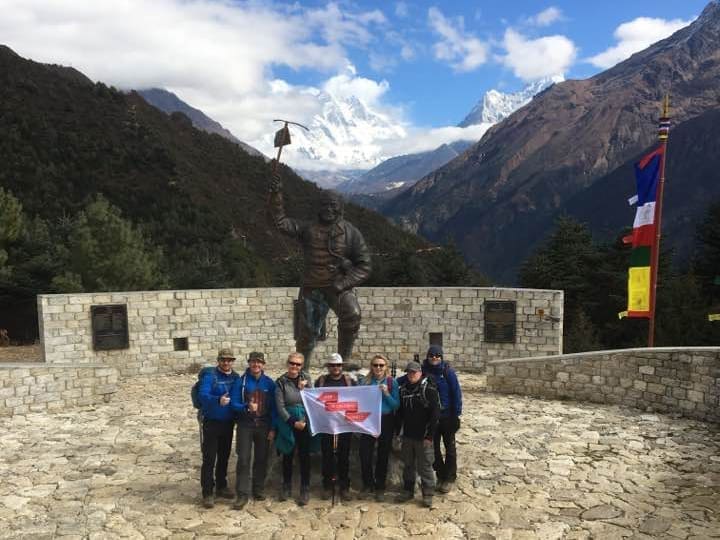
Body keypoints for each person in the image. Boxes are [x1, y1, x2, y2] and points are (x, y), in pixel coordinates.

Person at [268, 168, 372, 364]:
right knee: (307, 332)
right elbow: (280, 223)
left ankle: (344, 360)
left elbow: (364, 265)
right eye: (324, 205)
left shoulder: (350, 232)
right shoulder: (307, 228)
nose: (328, 209)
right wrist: (276, 195)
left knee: (352, 315)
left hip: (338, 287)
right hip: (312, 287)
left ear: (340, 208)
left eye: (333, 205)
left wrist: (343, 283)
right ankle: (301, 367)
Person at [230, 351, 277, 509]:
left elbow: (274, 408)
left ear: (263, 364)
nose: (256, 365)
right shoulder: (240, 382)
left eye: (259, 362)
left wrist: (272, 428)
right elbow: (233, 403)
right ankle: (242, 493)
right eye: (253, 362)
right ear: (249, 363)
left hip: (263, 425)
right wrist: (246, 407)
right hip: (245, 425)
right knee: (243, 459)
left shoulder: (269, 383)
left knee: (261, 459)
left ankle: (258, 489)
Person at [198, 348, 240, 508]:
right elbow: (203, 395)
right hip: (212, 422)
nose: (226, 363)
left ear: (232, 361)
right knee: (209, 458)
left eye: (229, 360)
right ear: (218, 360)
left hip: (228, 423)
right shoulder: (210, 376)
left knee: (224, 456)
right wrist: (217, 400)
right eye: (223, 360)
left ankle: (222, 486)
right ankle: (207, 492)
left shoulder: (235, 377)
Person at [395, 360, 440, 508]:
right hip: (408, 435)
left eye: (414, 372)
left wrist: (430, 436)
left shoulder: (429, 390)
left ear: (420, 373)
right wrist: (398, 433)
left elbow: (435, 415)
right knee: (408, 465)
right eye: (409, 372)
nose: (412, 374)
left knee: (425, 466)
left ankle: (428, 494)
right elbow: (400, 414)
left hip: (423, 437)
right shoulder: (403, 390)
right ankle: (408, 491)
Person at [358, 354, 399, 502]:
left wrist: (386, 393)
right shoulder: (364, 382)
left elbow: (396, 405)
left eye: (381, 365)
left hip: (386, 420)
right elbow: (357, 399)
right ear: (371, 366)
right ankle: (367, 483)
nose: (378, 368)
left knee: (383, 455)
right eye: (375, 365)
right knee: (364, 454)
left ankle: (380, 487)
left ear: (386, 367)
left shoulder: (391, 382)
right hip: (368, 420)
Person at [315, 352, 356, 501]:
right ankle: (327, 485)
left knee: (344, 456)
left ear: (342, 366)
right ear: (328, 367)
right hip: (327, 424)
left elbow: (357, 399)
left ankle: (344, 486)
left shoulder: (349, 382)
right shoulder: (320, 381)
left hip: (345, 424)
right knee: (327, 456)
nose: (335, 368)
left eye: (338, 365)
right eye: (332, 365)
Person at [422, 344, 462, 494]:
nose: (434, 358)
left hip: (447, 416)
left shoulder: (447, 372)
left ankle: (450, 477)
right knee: (435, 449)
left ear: (441, 357)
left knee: (450, 448)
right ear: (428, 356)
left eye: (437, 355)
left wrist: (456, 414)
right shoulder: (423, 371)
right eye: (432, 355)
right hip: (432, 418)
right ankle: (441, 475)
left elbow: (456, 393)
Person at [275, 351, 314, 505]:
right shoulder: (281, 382)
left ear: (301, 366)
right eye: (292, 363)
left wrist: (306, 388)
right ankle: (286, 485)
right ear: (288, 363)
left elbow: (313, 400)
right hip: (288, 422)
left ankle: (305, 488)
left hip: (304, 420)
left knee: (304, 456)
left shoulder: (306, 379)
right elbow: (280, 406)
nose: (294, 366)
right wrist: (292, 422)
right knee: (288, 454)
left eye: (298, 364)